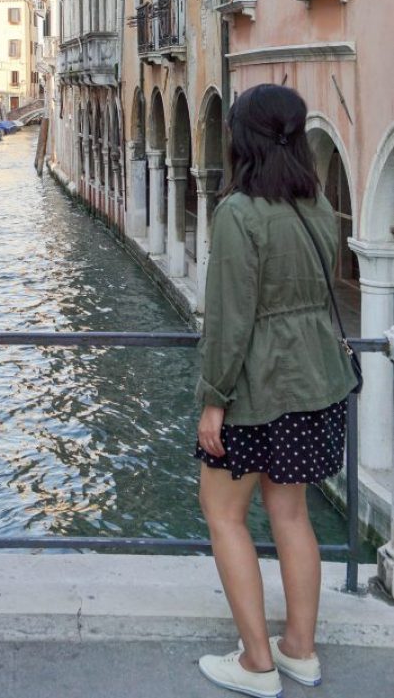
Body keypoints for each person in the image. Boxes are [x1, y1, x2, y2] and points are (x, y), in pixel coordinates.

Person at [195, 84, 357, 698]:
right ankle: (301, 652)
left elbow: (230, 319)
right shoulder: (314, 205)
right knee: (292, 515)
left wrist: (214, 398)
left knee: (223, 514)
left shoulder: (238, 213)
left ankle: (258, 663)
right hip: (315, 380)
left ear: (244, 139)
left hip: (256, 388)